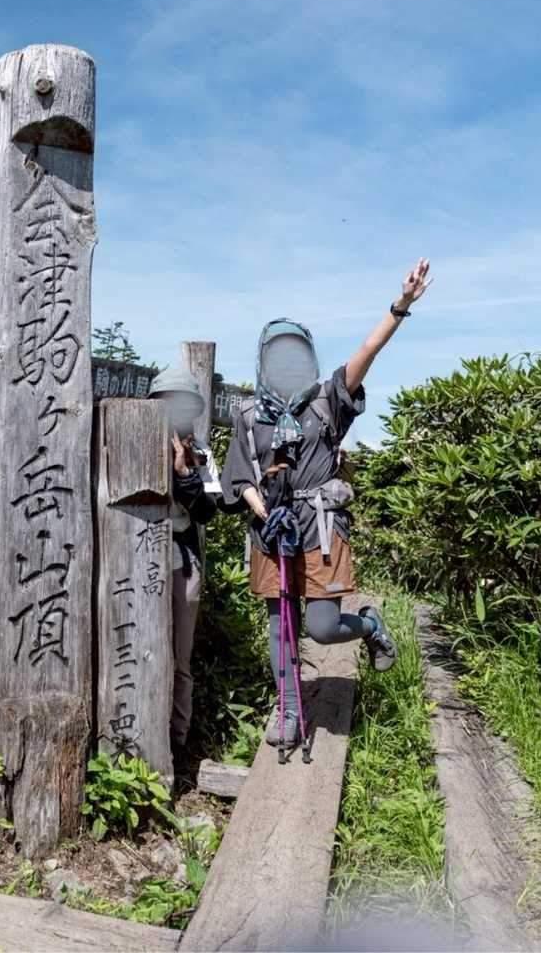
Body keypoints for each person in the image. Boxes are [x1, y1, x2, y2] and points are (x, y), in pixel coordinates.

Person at [223, 259, 432, 749]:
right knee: (281, 625)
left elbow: (366, 351)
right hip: (271, 530)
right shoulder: (249, 413)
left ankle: (369, 624)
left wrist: (400, 305)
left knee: (321, 627)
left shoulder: (327, 400)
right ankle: (289, 710)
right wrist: (261, 509)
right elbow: (240, 473)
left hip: (319, 528)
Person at [147, 364, 220, 768]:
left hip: (181, 560)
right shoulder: (136, 439)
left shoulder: (202, 453)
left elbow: (211, 508)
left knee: (179, 656)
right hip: (138, 558)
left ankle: (177, 742)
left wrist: (185, 473)